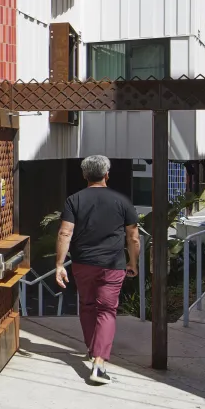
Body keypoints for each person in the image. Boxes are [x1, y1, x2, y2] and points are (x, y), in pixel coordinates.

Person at [54, 154, 140, 385]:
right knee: (107, 311)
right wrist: (133, 262)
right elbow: (133, 237)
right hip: (112, 265)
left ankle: (93, 350)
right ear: (107, 174)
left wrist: (60, 264)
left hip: (83, 263)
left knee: (88, 306)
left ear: (85, 175)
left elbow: (65, 232)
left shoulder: (74, 200)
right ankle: (99, 364)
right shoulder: (122, 201)